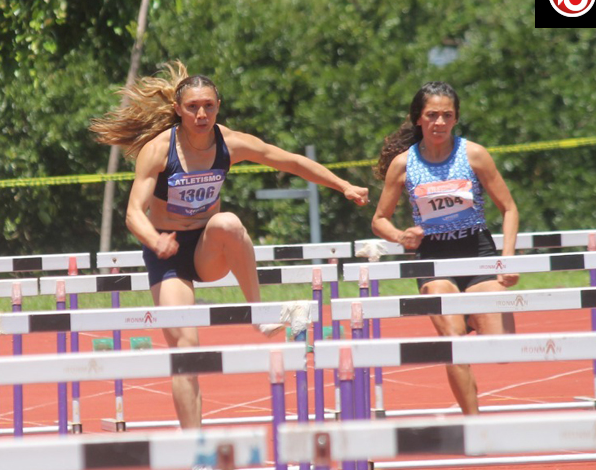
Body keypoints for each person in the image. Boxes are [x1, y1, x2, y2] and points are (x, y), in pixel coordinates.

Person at [91, 61, 369, 428]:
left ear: (218, 105)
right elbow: (132, 214)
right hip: (168, 254)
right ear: (178, 109)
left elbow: (290, 161)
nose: (201, 114)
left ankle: (256, 310)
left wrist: (342, 185)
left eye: (208, 105)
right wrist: (154, 239)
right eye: (192, 107)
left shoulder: (230, 142)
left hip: (208, 247)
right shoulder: (159, 150)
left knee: (229, 222)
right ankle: (197, 448)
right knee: (185, 350)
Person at [370, 81, 519, 415]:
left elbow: (509, 209)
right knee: (452, 343)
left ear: (456, 119)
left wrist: (506, 261)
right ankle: (474, 425)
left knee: (504, 349)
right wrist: (400, 237)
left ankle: (469, 314)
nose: (439, 122)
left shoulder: (474, 154)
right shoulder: (404, 164)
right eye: (432, 115)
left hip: (477, 252)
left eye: (446, 115)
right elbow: (379, 219)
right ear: (418, 119)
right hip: (433, 258)